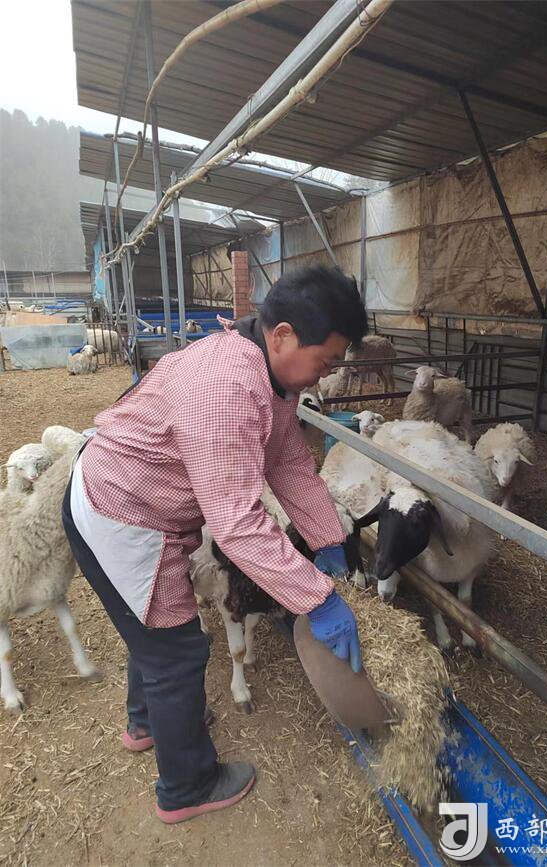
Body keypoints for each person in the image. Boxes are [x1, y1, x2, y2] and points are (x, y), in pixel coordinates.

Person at [61, 265, 368, 824]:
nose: (324, 376)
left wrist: (329, 539)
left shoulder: (269, 376)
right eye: (325, 362)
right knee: (176, 651)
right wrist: (318, 598)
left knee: (150, 633)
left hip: (134, 501)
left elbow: (288, 462)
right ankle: (187, 786)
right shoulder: (227, 386)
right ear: (283, 336)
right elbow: (237, 525)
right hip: (122, 513)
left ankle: (148, 724)